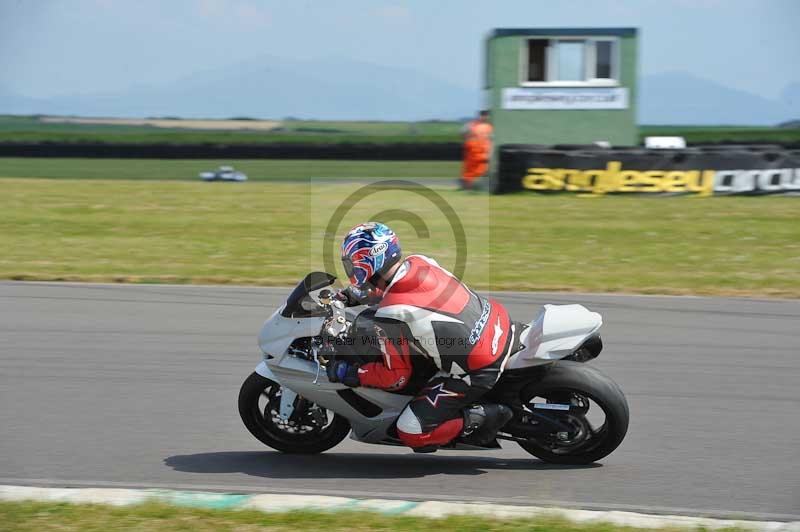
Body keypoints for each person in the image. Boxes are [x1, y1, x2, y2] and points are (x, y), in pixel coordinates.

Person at [327, 222, 521, 452]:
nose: (349, 267)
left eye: (351, 262)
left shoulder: (391, 314)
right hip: (500, 323)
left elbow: (396, 378)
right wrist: (350, 296)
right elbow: (394, 291)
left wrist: (350, 373)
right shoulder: (419, 263)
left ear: (368, 261)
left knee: (412, 431)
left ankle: (485, 416)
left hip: (479, 367)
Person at [460, 110, 493, 190]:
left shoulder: (489, 127)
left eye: (486, 116)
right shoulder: (471, 125)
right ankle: (466, 187)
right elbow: (462, 133)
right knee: (470, 170)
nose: (484, 117)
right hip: (473, 151)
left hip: (484, 151)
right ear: (480, 116)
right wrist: (468, 142)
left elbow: (491, 139)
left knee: (483, 170)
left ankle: (477, 186)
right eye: (483, 115)